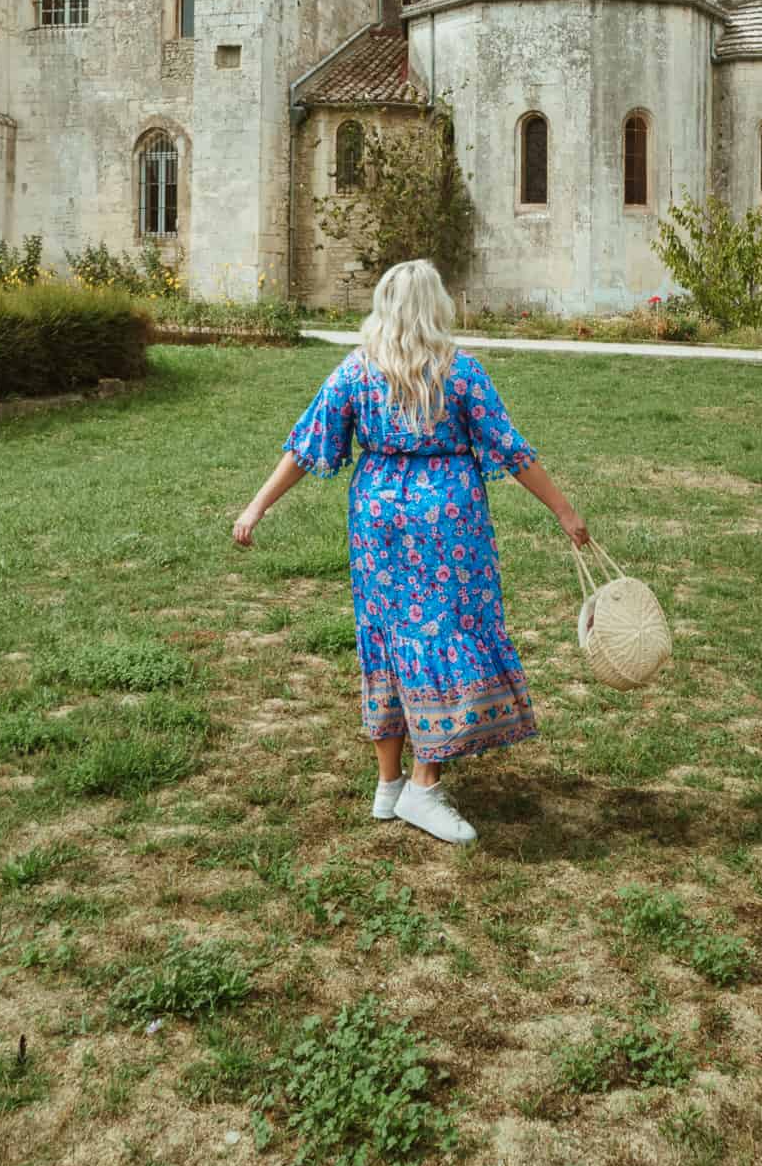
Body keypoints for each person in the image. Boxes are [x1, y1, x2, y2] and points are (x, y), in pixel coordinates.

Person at [231, 258, 588, 845]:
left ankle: (389, 784)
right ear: (436, 308)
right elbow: (513, 450)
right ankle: (422, 789)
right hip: (446, 521)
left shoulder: (356, 371)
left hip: (376, 519)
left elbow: (305, 443)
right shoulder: (458, 372)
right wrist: (565, 512)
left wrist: (255, 507)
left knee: (389, 636)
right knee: (445, 634)